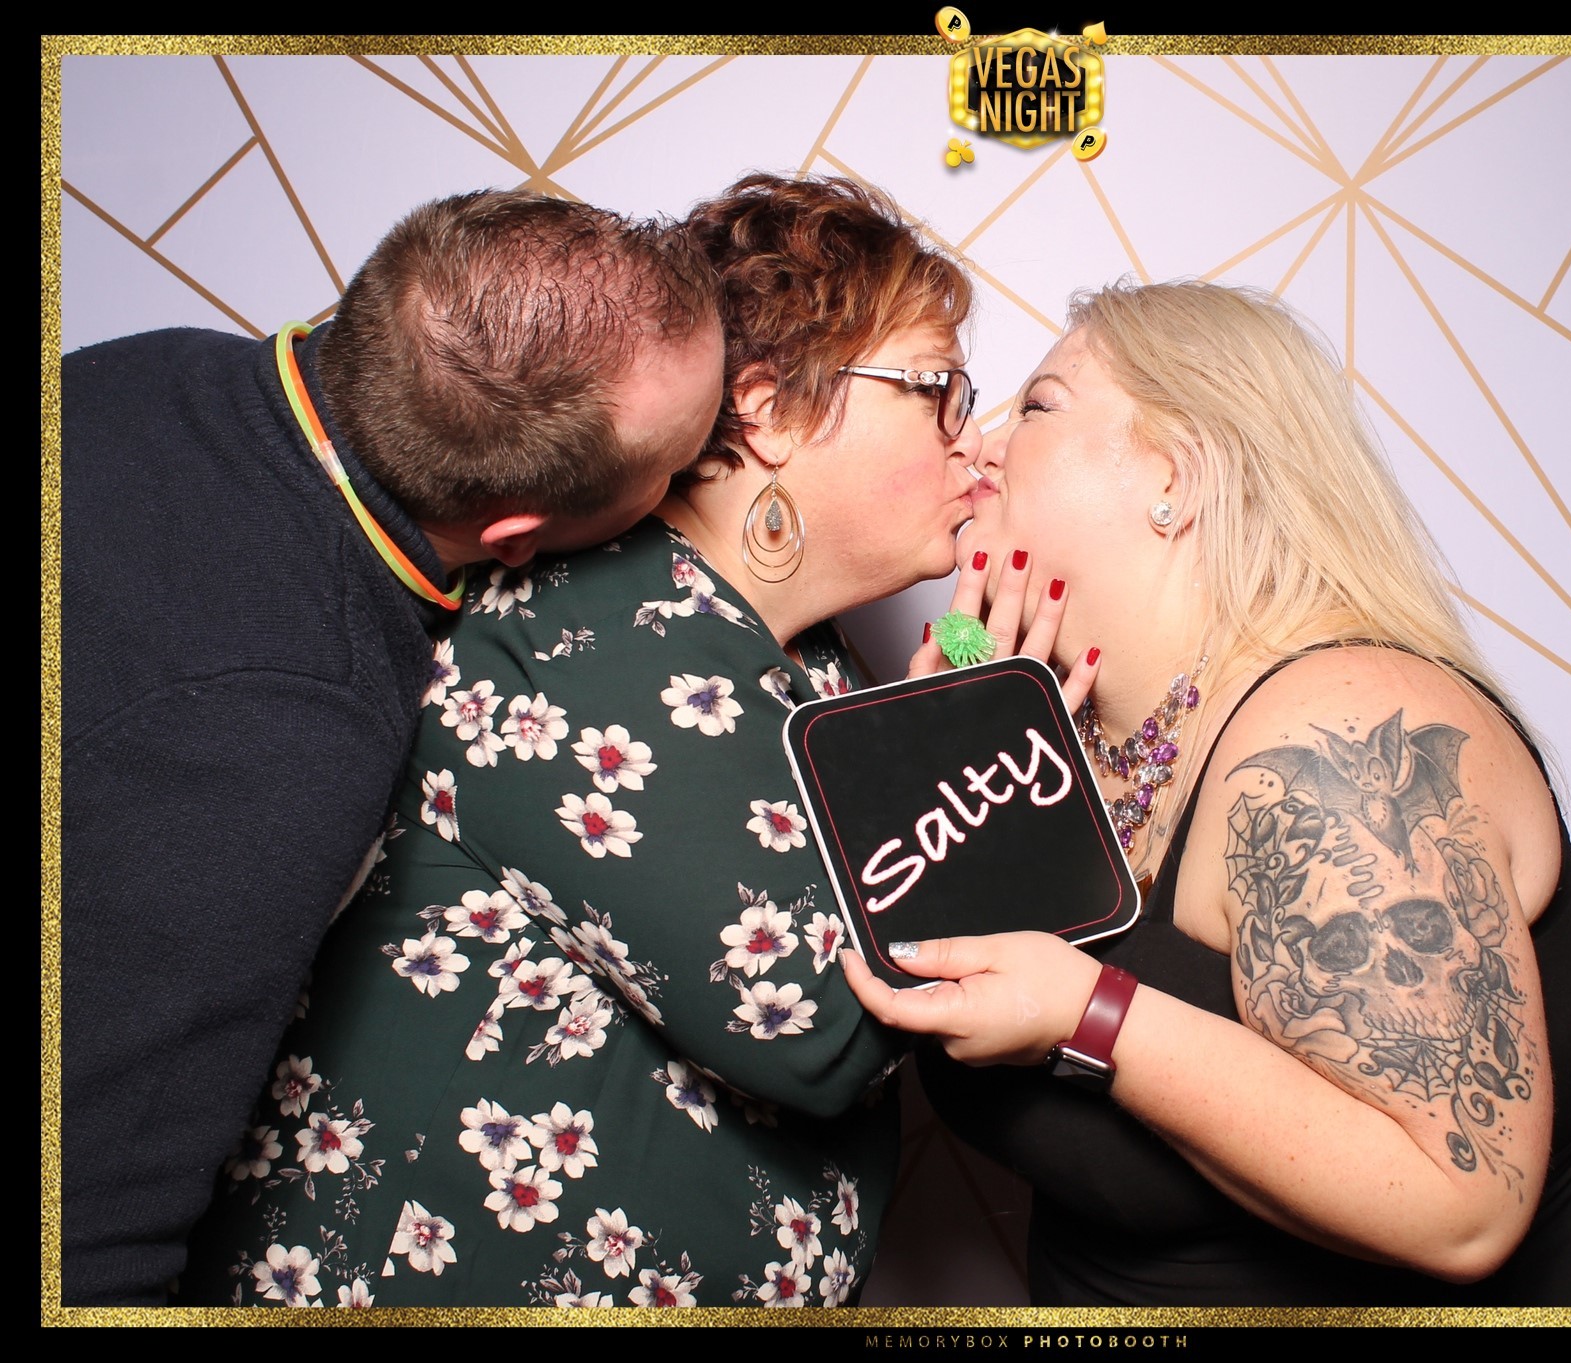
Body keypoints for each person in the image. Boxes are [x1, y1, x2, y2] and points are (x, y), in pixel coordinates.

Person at [169, 174, 1075, 1310]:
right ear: (770, 410)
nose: (974, 444)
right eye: (936, 388)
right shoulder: (584, 631)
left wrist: (937, 741)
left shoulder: (816, 664)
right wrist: (969, 759)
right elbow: (826, 1023)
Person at [843, 280, 1571, 1306]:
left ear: (1175, 476)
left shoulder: (1334, 737)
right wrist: (942, 768)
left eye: (1037, 405)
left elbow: (1463, 1201)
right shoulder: (1061, 747)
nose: (982, 446)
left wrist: (1087, 1013)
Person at [59, 190, 726, 1307]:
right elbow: (85, 1234)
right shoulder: (293, 730)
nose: (686, 489)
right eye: (677, 467)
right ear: (516, 534)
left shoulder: (155, 365)